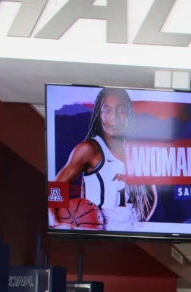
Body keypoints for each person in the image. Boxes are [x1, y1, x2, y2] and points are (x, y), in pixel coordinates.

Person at [53, 87, 156, 230]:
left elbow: (152, 195)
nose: (114, 117)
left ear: (129, 114)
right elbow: (56, 186)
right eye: (107, 111)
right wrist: (54, 220)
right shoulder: (90, 149)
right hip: (99, 234)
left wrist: (139, 225)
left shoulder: (138, 153)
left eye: (121, 110)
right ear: (99, 114)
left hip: (127, 238)